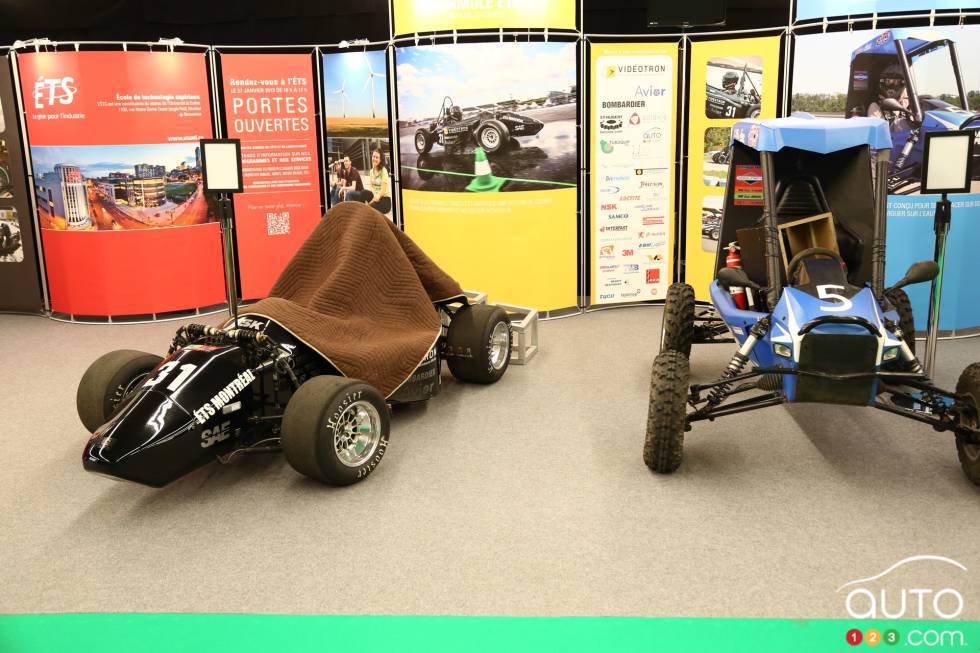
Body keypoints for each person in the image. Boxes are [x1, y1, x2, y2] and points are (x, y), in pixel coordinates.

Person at [866, 64, 912, 133]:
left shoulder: (908, 103)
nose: (892, 85)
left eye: (896, 82)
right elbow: (876, 133)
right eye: (888, 81)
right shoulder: (875, 106)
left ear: (902, 83)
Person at [360, 148, 391, 215]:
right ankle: (363, 209)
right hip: (375, 196)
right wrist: (373, 197)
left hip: (384, 199)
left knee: (369, 209)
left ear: (380, 160)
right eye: (373, 156)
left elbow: (382, 191)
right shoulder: (371, 171)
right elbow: (371, 186)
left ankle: (366, 211)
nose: (374, 159)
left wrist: (369, 204)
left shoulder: (383, 171)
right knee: (363, 192)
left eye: (377, 157)